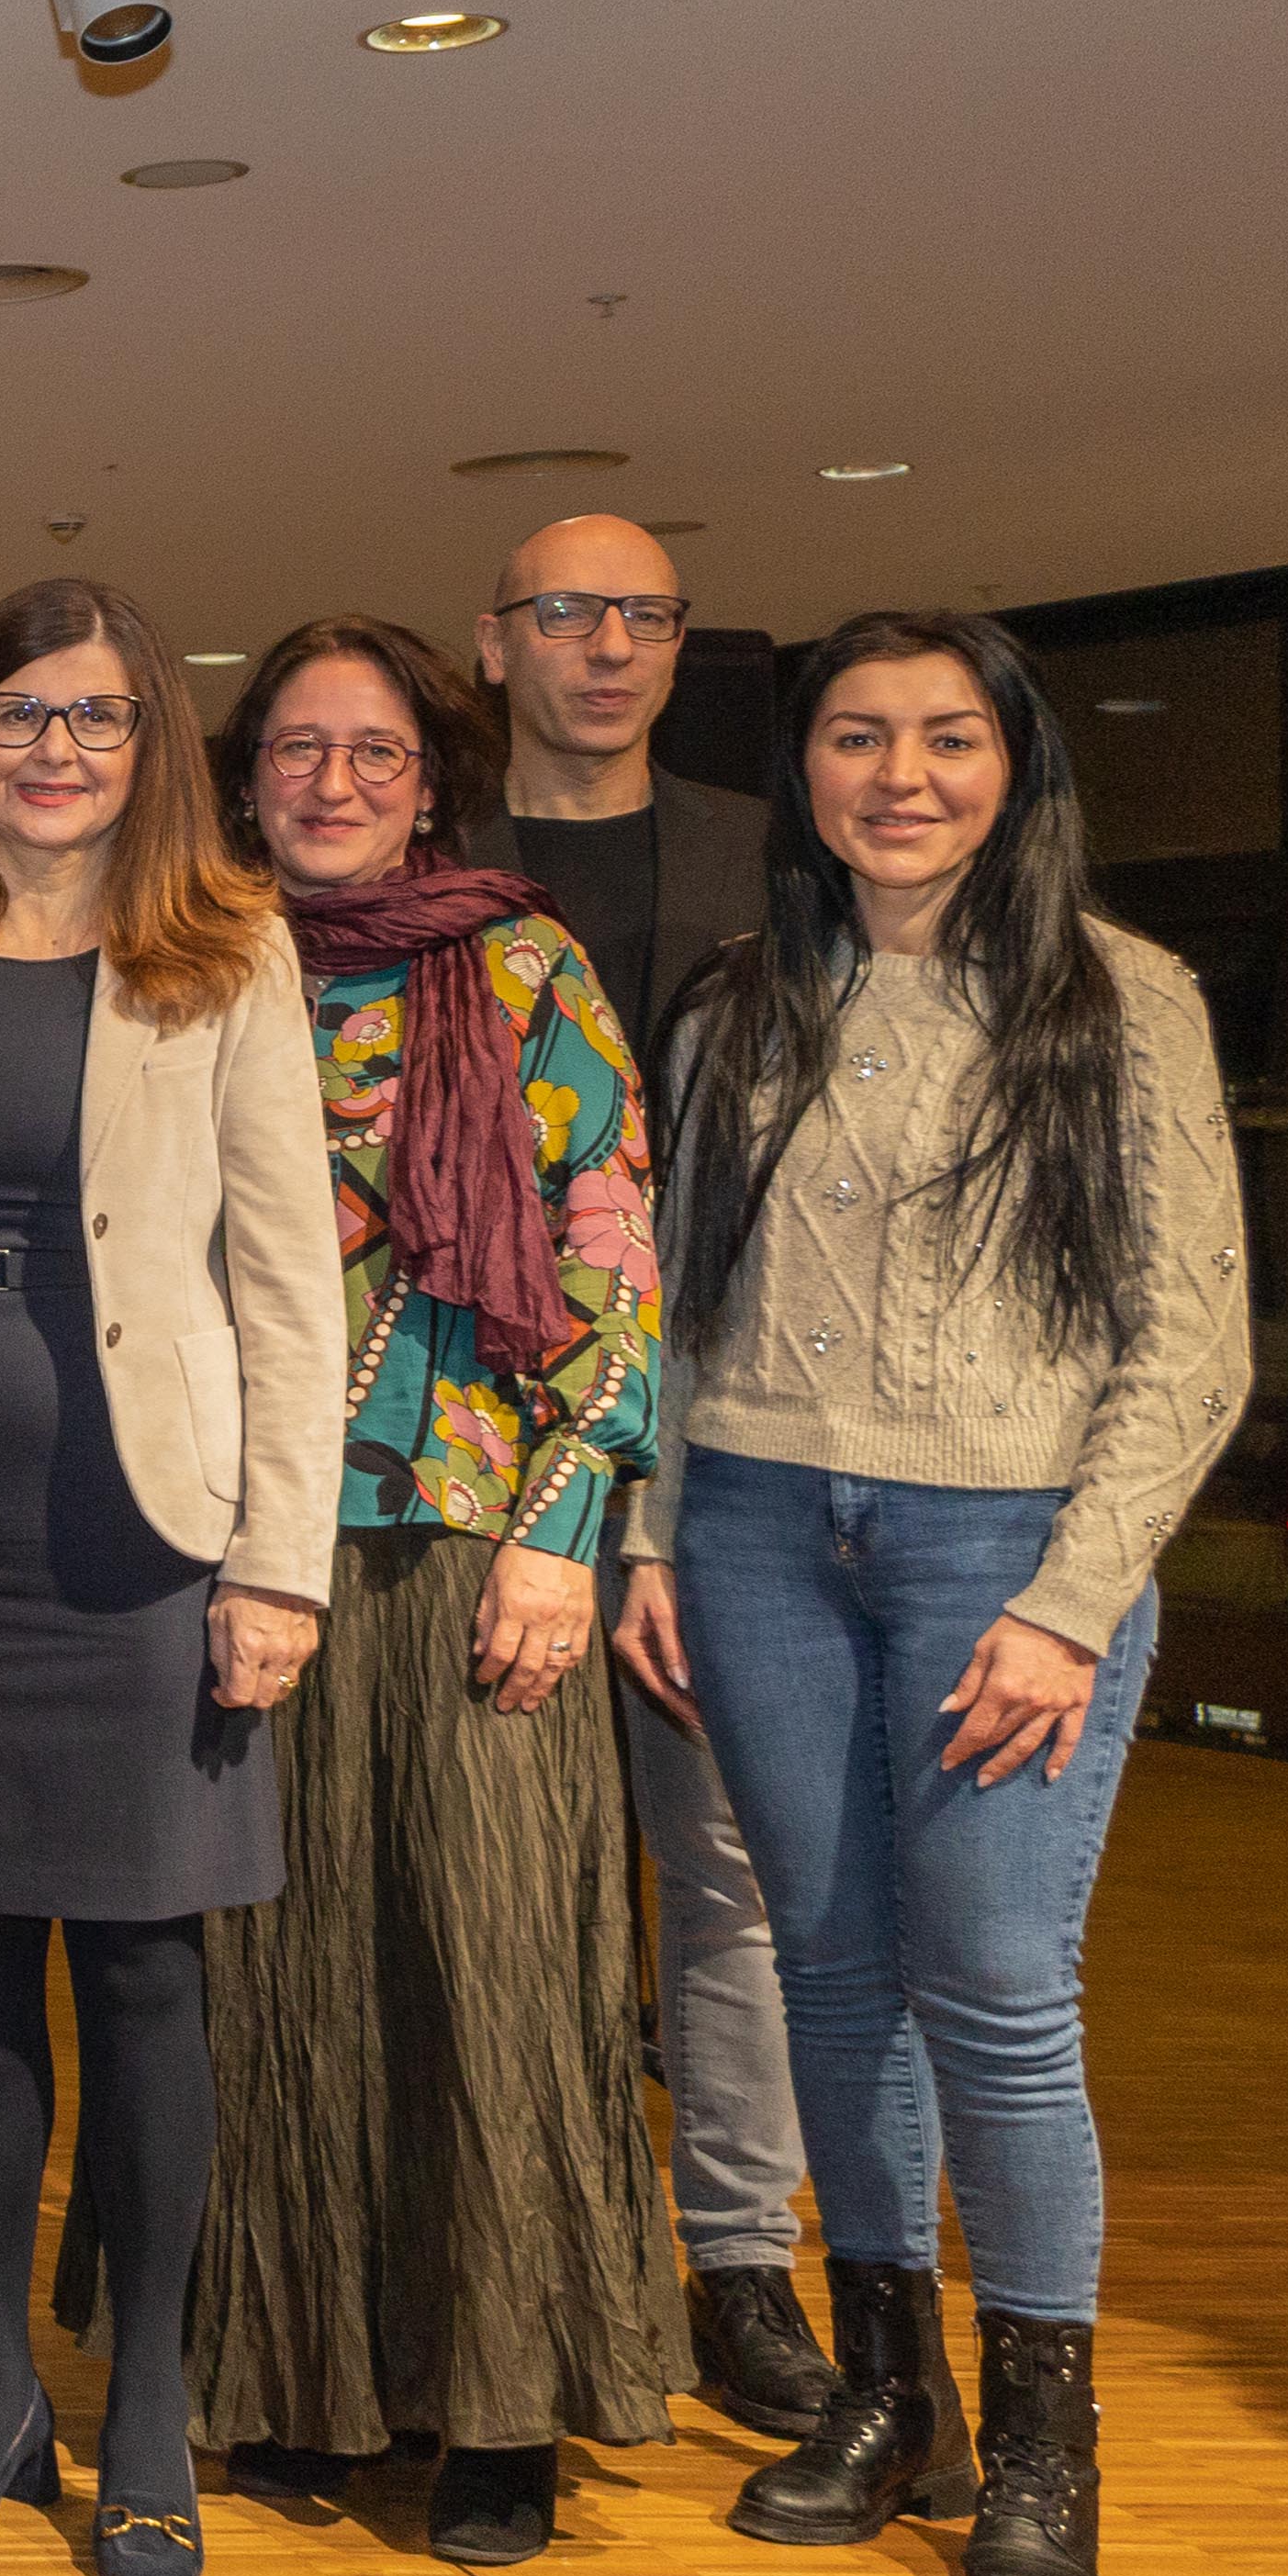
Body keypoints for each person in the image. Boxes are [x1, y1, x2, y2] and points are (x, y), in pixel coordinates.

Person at [618, 611, 1246, 2576]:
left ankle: (1047, 2443)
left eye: (947, 737)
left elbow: (1193, 1337)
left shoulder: (1118, 997)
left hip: (1007, 1546)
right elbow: (679, 1309)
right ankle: (893, 2399)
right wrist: (651, 1528)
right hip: (759, 1534)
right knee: (827, 1972)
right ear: (803, 771)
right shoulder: (738, 1004)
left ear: (1014, 762)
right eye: (860, 736)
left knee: (991, 1979)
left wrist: (1073, 1602)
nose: (902, 773)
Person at [0, 576, 342, 2576]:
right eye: (21, 713)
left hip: (149, 1543)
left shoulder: (225, 949)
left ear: (152, 752)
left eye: (101, 718)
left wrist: (280, 1564)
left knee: (147, 1979)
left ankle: (140, 2394)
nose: (58, 750)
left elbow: (290, 1274)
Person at [187, 618, 684, 2569]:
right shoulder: (194, 965)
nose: (331, 782)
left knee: (487, 1969)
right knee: (283, 1978)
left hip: (484, 1539)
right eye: (296, 749)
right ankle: (309, 2375)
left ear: (429, 777)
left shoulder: (525, 962)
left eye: (372, 751)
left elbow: (619, 1261)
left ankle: (497, 2406)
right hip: (251, 1544)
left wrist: (567, 1523)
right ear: (245, 775)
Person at [475, 512, 833, 2446]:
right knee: (515, 1891)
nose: (606, 646)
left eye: (644, 616)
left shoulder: (767, 864)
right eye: (567, 611)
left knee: (727, 1878)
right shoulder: (435, 872)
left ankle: (741, 2262)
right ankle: (537, 2248)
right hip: (477, 1449)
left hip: (717, 1443)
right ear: (496, 636)